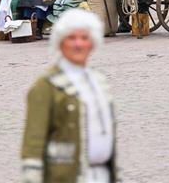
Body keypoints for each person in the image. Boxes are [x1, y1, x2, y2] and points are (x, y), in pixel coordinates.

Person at [22, 9, 117, 183]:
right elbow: (33, 141)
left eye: (84, 38)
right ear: (60, 43)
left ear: (93, 43)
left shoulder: (99, 81)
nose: (78, 44)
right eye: (71, 38)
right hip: (65, 176)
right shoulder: (45, 86)